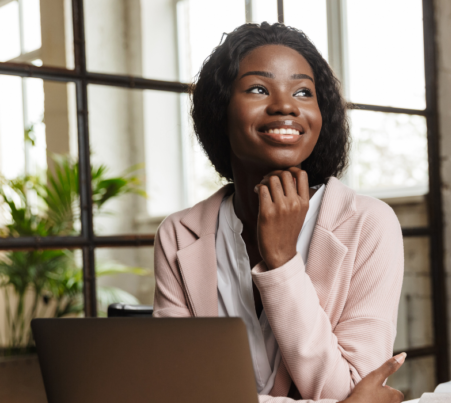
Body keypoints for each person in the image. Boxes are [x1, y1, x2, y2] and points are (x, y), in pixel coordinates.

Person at [153, 22, 405, 403]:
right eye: (258, 88)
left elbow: (350, 388)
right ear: (220, 109)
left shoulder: (369, 225)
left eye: (303, 91)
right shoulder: (179, 234)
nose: (286, 105)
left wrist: (283, 262)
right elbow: (173, 391)